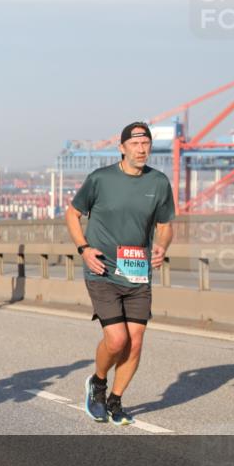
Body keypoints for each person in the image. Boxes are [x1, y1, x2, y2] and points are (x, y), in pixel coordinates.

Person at [66, 122, 173, 426]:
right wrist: (84, 248)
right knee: (116, 340)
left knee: (135, 342)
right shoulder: (100, 179)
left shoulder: (159, 182)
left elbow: (165, 224)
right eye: (136, 144)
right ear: (122, 148)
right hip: (102, 269)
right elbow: (72, 214)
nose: (142, 149)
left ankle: (115, 400)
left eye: (146, 144)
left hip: (138, 272)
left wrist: (162, 245)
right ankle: (98, 384)